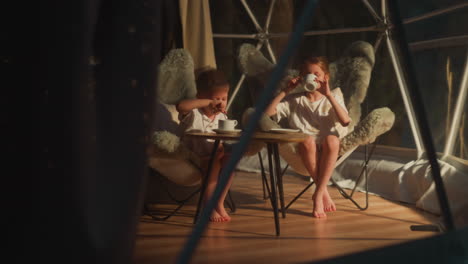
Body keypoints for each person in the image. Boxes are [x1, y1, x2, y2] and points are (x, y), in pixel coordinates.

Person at [265, 56, 351, 218]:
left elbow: (345, 121)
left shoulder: (333, 96)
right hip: (305, 149)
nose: (312, 77)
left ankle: (317, 195)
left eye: (316, 74)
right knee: (307, 139)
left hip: (328, 149)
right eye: (307, 74)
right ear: (301, 77)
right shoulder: (294, 100)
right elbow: (267, 114)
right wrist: (286, 90)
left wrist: (328, 95)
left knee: (332, 139)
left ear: (325, 77)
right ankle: (323, 191)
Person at [177, 68, 235, 222]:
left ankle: (219, 203)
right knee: (214, 161)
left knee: (230, 160)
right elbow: (181, 106)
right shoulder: (193, 113)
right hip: (192, 157)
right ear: (200, 97)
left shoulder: (222, 117)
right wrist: (207, 103)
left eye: (223, 99)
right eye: (215, 99)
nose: (220, 103)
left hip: (214, 155)